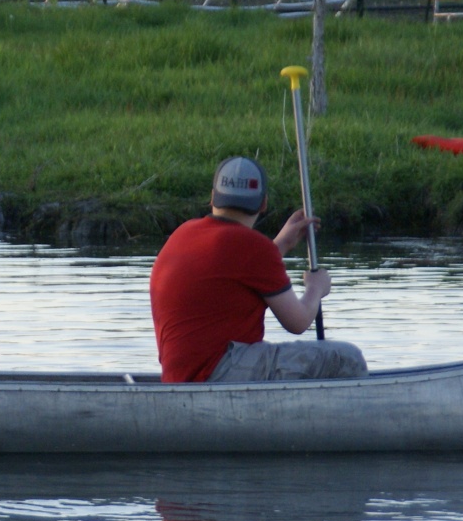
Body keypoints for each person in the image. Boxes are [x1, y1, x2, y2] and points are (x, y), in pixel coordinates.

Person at [150, 156, 366, 384]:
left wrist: (281, 244)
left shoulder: (184, 233)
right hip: (218, 371)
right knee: (346, 358)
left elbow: (237, 270)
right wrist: (316, 288)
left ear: (213, 197)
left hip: (179, 376)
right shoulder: (253, 247)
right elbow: (298, 322)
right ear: (263, 203)